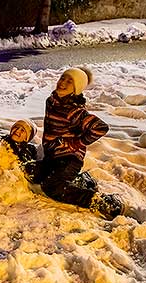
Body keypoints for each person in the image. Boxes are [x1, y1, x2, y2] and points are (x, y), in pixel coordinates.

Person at [39, 67, 124, 220]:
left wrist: (76, 143)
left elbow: (100, 127)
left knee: (52, 187)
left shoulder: (73, 111)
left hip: (69, 158)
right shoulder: (52, 101)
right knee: (35, 173)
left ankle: (99, 201)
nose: (63, 82)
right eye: (63, 78)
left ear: (76, 89)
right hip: (52, 155)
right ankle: (80, 180)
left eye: (69, 81)